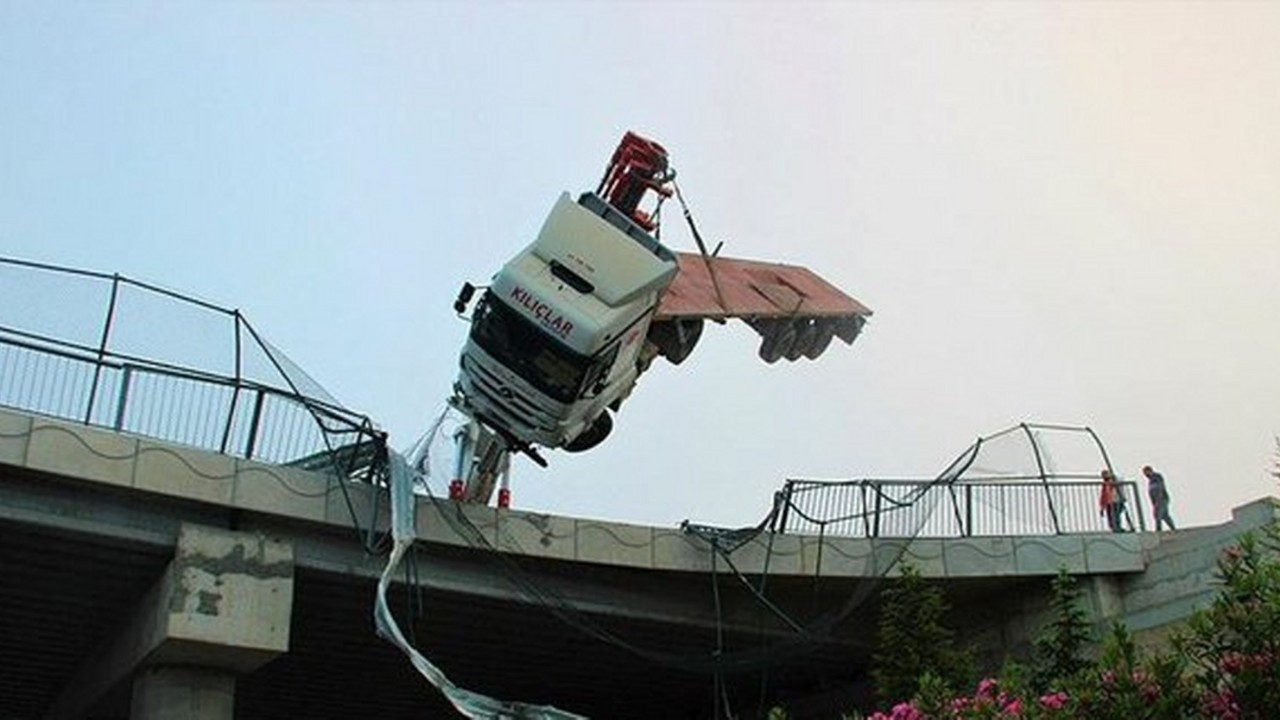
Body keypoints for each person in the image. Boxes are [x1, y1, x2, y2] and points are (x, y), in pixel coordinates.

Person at [1144, 465, 1176, 531]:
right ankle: (1173, 528)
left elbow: (1160, 488)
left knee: (1158, 514)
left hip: (1162, 499)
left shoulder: (1157, 477)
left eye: (1146, 473)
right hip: (1157, 501)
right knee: (1165, 515)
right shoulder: (1150, 481)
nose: (1146, 475)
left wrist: (1158, 501)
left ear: (1150, 471)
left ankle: (1158, 530)